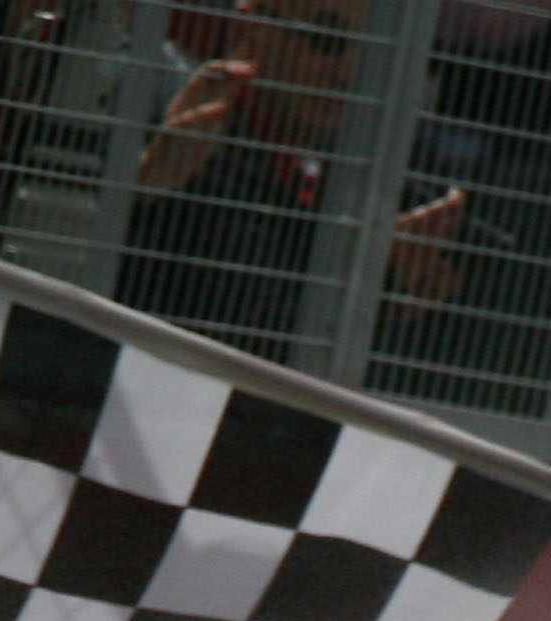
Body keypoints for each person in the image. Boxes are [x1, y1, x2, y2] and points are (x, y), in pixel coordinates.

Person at [113, 0, 465, 364]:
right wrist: (146, 187)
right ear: (253, 25)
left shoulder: (348, 178)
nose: (348, 74)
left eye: (376, 56)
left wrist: (386, 291)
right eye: (326, 39)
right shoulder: (167, 117)